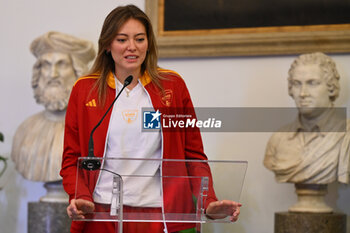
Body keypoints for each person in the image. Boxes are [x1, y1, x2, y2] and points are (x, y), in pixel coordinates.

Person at [60, 4, 241, 233]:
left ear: (149, 43)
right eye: (122, 39)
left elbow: (193, 155)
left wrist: (209, 202)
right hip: (101, 213)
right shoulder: (85, 90)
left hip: (159, 215)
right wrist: (80, 197)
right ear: (107, 44)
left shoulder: (172, 87)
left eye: (139, 39)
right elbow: (71, 160)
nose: (132, 48)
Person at [11, 31, 95, 182]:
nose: (52, 74)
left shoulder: (93, 129)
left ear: (79, 73)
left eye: (61, 64)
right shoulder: (24, 131)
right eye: (46, 65)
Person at [264, 52, 350, 185]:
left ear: (331, 87)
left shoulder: (346, 136)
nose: (303, 93)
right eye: (297, 84)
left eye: (312, 83)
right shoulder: (279, 138)